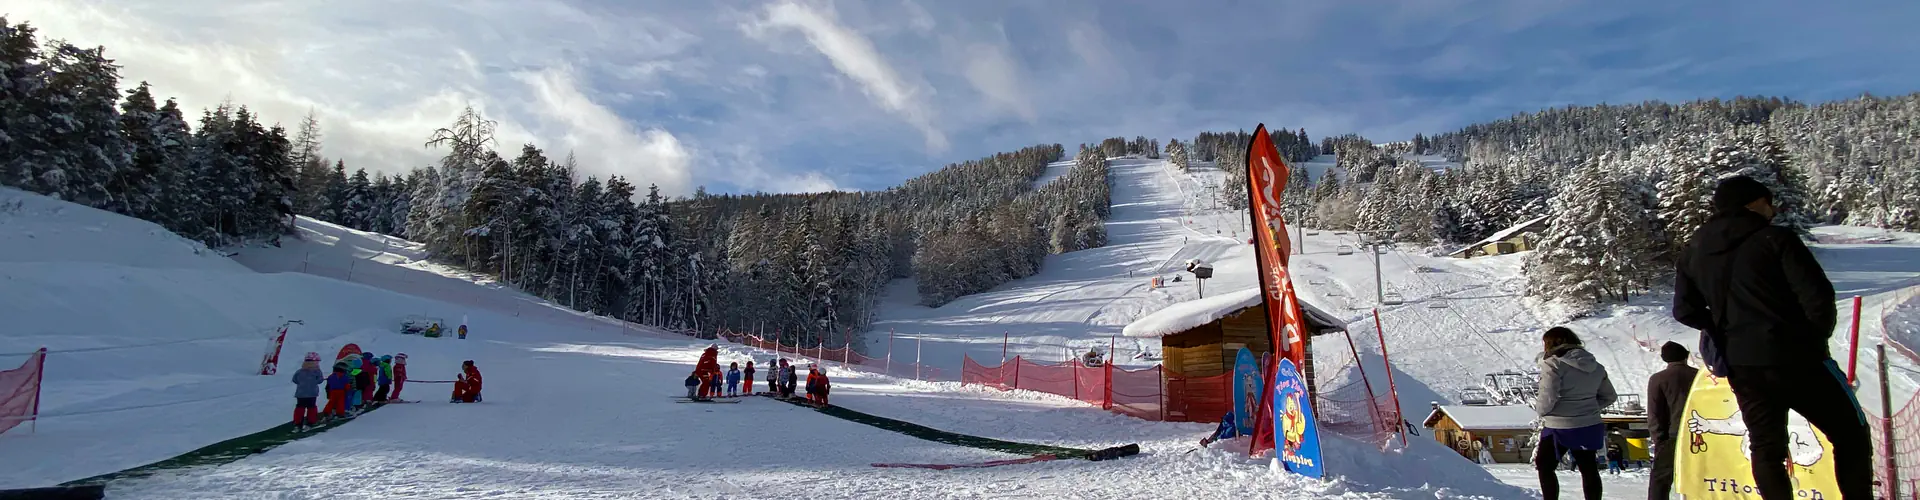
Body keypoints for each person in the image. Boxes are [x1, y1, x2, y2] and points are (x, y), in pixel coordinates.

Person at [1672, 175, 1868, 500]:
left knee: (1766, 448)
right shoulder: (1776, 239)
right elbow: (1818, 297)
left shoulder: (1693, 251)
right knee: (1851, 434)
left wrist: (1723, 328)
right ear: (1752, 203)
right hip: (1799, 359)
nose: (1773, 210)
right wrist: (1812, 341)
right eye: (1768, 203)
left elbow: (1684, 310)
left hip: (1742, 366)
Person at [1533, 327, 1616, 500]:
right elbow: (1610, 396)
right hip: (1589, 424)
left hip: (1558, 426)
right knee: (1589, 469)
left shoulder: (1552, 364)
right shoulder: (1596, 366)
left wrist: (1543, 412)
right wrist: (1588, 408)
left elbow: (1548, 396)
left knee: (1545, 466)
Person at [1645, 341, 1698, 500]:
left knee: (1660, 481)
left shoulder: (1658, 379)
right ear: (1686, 356)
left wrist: (1658, 438)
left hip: (1670, 436)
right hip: (1699, 434)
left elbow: (1654, 412)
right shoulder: (1699, 376)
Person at [291, 352, 324, 431]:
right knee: (311, 408)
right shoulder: (317, 371)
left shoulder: (299, 371)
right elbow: (320, 380)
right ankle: (310, 422)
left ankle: (298, 424)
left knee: (300, 408)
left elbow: (295, 380)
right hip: (312, 393)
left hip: (300, 393)